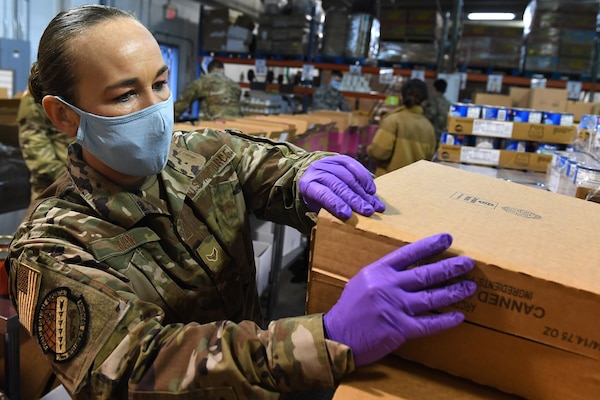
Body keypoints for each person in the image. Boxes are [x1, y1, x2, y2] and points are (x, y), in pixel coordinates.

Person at [7, 5, 476, 399]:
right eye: (127, 94)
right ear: (65, 116)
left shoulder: (199, 153)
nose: (154, 109)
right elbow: (133, 369)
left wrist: (303, 174)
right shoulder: (52, 245)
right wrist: (325, 337)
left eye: (161, 83)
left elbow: (263, 163)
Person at [366, 79, 437, 177]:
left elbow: (379, 152)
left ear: (401, 96)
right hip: (414, 183)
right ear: (424, 100)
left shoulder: (392, 120)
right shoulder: (429, 128)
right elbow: (429, 158)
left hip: (389, 181)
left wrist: (369, 149)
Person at [17, 89, 74, 199]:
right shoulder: (38, 89)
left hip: (85, 182)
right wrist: (64, 177)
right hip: (52, 186)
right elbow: (33, 142)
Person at [173, 59, 242, 121]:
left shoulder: (202, 82)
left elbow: (181, 105)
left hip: (214, 128)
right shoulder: (234, 85)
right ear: (223, 69)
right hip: (237, 127)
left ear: (208, 71)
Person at [423, 78, 451, 146]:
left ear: (435, 88)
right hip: (443, 135)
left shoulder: (432, 101)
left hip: (431, 134)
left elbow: (431, 114)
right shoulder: (448, 103)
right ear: (445, 90)